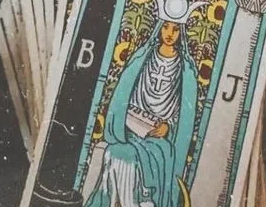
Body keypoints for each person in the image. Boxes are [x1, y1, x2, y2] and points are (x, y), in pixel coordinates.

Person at [84, 20, 198, 207]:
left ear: (181, 33)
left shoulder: (185, 68)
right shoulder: (143, 57)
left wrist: (168, 126)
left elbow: (183, 109)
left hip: (158, 136)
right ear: (159, 28)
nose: (170, 33)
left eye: (176, 29)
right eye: (166, 27)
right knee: (115, 152)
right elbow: (127, 93)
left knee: (157, 154)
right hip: (131, 128)